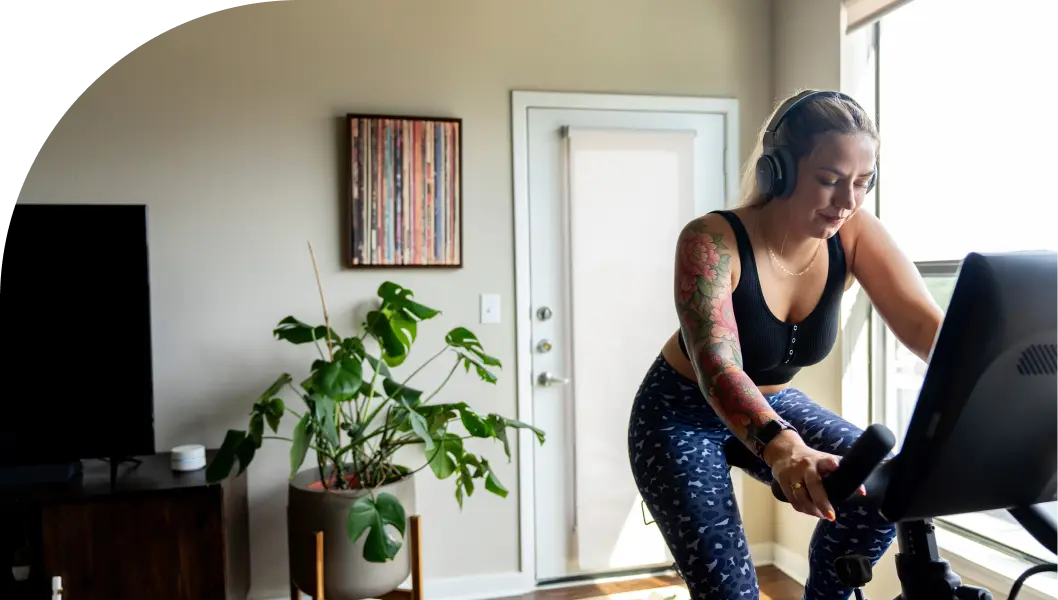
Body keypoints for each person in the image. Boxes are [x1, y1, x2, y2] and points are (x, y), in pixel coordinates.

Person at [627, 89, 944, 600]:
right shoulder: (711, 241)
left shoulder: (855, 233)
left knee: (881, 491)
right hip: (679, 413)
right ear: (779, 171)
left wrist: (1001, 386)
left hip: (774, 399)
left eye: (863, 183)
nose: (848, 201)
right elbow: (719, 367)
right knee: (728, 591)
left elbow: (930, 332)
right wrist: (784, 447)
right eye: (829, 180)